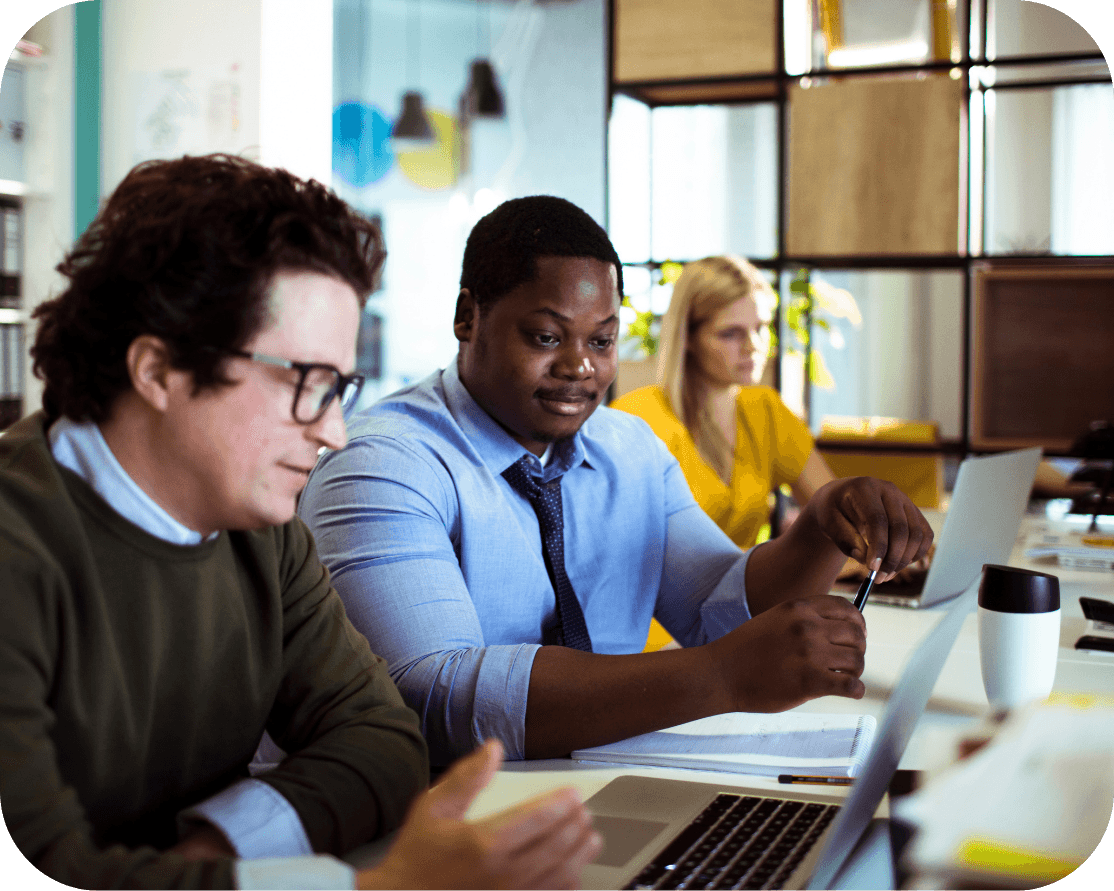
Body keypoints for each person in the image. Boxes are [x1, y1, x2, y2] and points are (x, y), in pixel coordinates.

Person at [0, 156, 599, 891]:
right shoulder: (19, 548)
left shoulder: (259, 526)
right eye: (306, 384)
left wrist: (211, 852)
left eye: (340, 387)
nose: (334, 434)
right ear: (157, 370)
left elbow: (382, 741)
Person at [298, 195, 933, 769]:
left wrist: (822, 527)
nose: (578, 367)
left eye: (601, 341)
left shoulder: (628, 449)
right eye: (546, 337)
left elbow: (718, 608)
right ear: (469, 316)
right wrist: (720, 676)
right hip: (444, 818)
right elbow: (435, 698)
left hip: (610, 783)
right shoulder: (382, 465)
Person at [611, 255, 836, 550]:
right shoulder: (638, 420)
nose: (753, 346)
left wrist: (877, 552)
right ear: (688, 338)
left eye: (761, 327)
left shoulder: (766, 410)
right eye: (731, 333)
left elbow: (834, 512)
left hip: (749, 592)